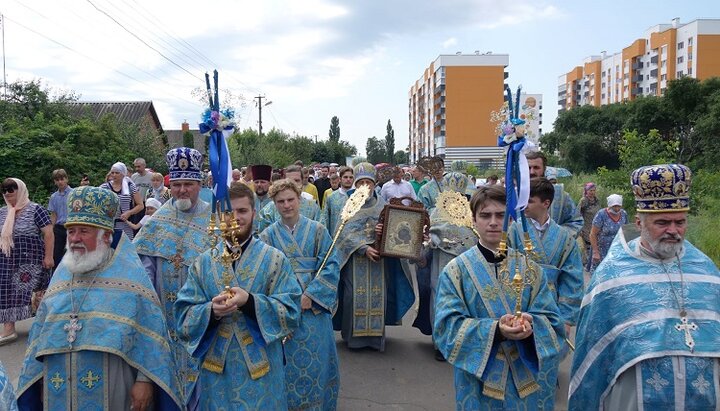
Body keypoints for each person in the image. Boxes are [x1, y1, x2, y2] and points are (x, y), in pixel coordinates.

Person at [16, 186, 183, 410]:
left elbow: (152, 334)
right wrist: (39, 380)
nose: (75, 239)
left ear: (106, 235)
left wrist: (145, 381)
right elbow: (39, 337)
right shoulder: (62, 275)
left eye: (84, 231)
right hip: (59, 387)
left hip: (113, 384)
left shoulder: (130, 276)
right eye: (71, 231)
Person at [569, 164, 720, 410]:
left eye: (680, 222)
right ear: (638, 223)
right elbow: (591, 357)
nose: (673, 231)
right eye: (663, 222)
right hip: (633, 399)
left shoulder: (707, 270)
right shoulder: (611, 276)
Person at [433, 185, 565, 410]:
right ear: (474, 220)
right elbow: (446, 328)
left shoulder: (530, 269)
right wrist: (496, 330)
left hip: (524, 384)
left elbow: (553, 323)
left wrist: (531, 323)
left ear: (511, 220)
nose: (493, 222)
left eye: (501, 215)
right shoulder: (456, 271)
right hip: (477, 383)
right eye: (485, 215)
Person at [174, 182, 302, 409]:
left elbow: (291, 310)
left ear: (254, 213)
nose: (234, 218)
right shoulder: (203, 263)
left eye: (242, 211)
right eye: (227, 212)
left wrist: (251, 302)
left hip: (263, 370)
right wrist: (210, 311)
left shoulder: (274, 259)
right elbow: (183, 315)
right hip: (217, 371)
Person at [134, 147, 211, 408]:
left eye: (188, 184)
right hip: (164, 322)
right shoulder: (158, 221)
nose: (182, 190)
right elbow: (144, 268)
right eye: (176, 184)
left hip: (203, 321)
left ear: (199, 184)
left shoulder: (215, 220)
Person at [259, 179, 340, 410]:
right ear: (274, 204)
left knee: (317, 365)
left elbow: (331, 264)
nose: (286, 205)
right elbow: (263, 273)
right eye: (281, 201)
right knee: (285, 368)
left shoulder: (318, 230)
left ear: (299, 199)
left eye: (290, 200)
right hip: (283, 311)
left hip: (314, 311)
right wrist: (281, 301)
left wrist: (312, 294)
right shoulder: (267, 236)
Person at [332, 162, 414, 351]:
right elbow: (342, 233)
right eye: (361, 183)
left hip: (379, 261)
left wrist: (384, 231)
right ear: (356, 184)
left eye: (368, 182)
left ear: (374, 183)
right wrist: (362, 247)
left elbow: (396, 230)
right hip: (355, 260)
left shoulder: (383, 205)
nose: (365, 187)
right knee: (352, 297)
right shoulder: (348, 205)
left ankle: (376, 340)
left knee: (379, 296)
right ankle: (353, 338)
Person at [508, 177, 583, 346]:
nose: (524, 205)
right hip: (519, 300)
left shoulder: (564, 237)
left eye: (530, 201)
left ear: (546, 203)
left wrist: (567, 318)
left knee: (548, 351)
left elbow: (573, 278)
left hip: (552, 304)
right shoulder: (514, 230)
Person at [420, 172, 477, 360]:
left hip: (466, 266)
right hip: (441, 265)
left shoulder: (472, 212)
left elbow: (476, 237)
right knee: (439, 301)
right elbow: (429, 238)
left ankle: (462, 342)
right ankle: (441, 344)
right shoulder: (436, 212)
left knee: (464, 302)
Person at [0, 178, 54, 346]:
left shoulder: (36, 209)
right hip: (7, 260)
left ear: (21, 189)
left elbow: (48, 233)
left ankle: (44, 326)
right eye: (5, 189)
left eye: (12, 188)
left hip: (31, 260)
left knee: (36, 292)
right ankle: (9, 329)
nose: (8, 192)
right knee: (7, 292)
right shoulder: (2, 212)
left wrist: (49, 256)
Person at [526, 151, 583, 237]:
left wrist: (556, 235)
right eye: (528, 167)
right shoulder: (514, 195)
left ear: (544, 169)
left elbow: (576, 222)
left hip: (553, 248)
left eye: (536, 167)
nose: (532, 172)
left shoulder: (560, 195)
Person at [257, 165, 321, 233]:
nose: (293, 185)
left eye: (297, 180)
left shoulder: (313, 208)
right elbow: (262, 237)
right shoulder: (269, 210)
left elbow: (320, 234)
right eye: (289, 181)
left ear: (302, 182)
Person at [100, 162, 143, 240]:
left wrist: (129, 212)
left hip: (125, 224)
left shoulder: (130, 186)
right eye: (112, 173)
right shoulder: (104, 187)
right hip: (109, 225)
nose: (114, 175)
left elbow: (140, 205)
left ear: (123, 174)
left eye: (117, 173)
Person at [589, 193, 628, 270]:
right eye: (614, 206)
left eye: (618, 206)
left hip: (617, 249)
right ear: (609, 205)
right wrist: (595, 252)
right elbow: (592, 234)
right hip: (602, 250)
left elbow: (626, 231)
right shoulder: (601, 214)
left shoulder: (623, 214)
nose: (617, 209)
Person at [48, 169, 73, 269]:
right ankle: (56, 276)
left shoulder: (74, 193)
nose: (60, 182)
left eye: (62, 179)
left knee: (71, 252)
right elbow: (53, 215)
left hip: (71, 226)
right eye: (57, 180)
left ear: (66, 179)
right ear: (54, 181)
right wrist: (50, 230)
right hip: (58, 228)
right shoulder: (54, 197)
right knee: (56, 253)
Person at [321, 166, 354, 236]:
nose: (348, 179)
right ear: (340, 179)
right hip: (335, 238)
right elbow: (325, 219)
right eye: (345, 177)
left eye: (351, 177)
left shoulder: (358, 197)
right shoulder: (331, 197)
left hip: (354, 240)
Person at [576, 182, 601, 272]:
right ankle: (588, 264)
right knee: (589, 245)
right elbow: (577, 213)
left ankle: (593, 263)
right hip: (586, 226)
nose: (592, 192)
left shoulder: (597, 200)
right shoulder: (583, 200)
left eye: (594, 190)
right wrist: (580, 227)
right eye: (591, 190)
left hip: (596, 225)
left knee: (596, 244)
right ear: (586, 191)